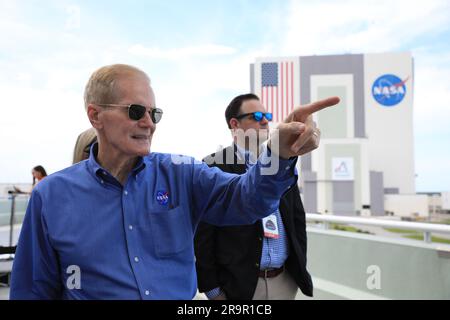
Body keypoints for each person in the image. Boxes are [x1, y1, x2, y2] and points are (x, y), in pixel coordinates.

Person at [10, 64, 339, 299]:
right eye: (136, 111)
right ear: (95, 115)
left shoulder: (182, 173)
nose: (148, 123)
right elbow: (32, 289)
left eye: (154, 114)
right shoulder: (51, 196)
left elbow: (247, 200)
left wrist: (277, 153)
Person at [194, 94, 312, 300]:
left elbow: (296, 220)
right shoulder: (213, 166)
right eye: (256, 116)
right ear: (234, 124)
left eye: (266, 115)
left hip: (284, 282)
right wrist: (212, 290)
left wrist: (298, 271)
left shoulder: (281, 163)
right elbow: (203, 233)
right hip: (238, 287)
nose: (265, 120)